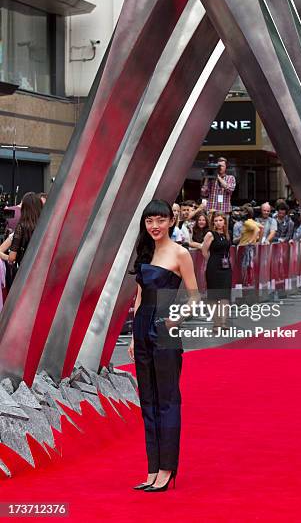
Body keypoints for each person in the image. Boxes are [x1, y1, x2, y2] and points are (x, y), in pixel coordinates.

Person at [127, 199, 198, 492]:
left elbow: (195, 298)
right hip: (143, 329)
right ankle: (152, 468)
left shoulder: (181, 254)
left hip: (166, 331)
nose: (154, 226)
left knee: (167, 400)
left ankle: (167, 469)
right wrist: (133, 336)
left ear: (171, 220)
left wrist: (175, 320)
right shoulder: (144, 251)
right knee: (147, 401)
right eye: (149, 221)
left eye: (160, 220)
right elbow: (140, 297)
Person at [201, 211, 232, 333]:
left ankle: (223, 322)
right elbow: (204, 250)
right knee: (214, 296)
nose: (218, 222)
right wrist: (211, 262)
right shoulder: (210, 234)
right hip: (214, 266)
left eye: (220, 220)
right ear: (213, 222)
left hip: (226, 267)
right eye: (216, 220)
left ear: (224, 221)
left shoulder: (227, 234)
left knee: (225, 295)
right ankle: (216, 323)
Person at [8, 192, 42, 270]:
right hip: (42, 268)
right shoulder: (45, 224)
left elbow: (12, 257)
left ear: (24, 208)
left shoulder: (21, 227)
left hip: (25, 271)